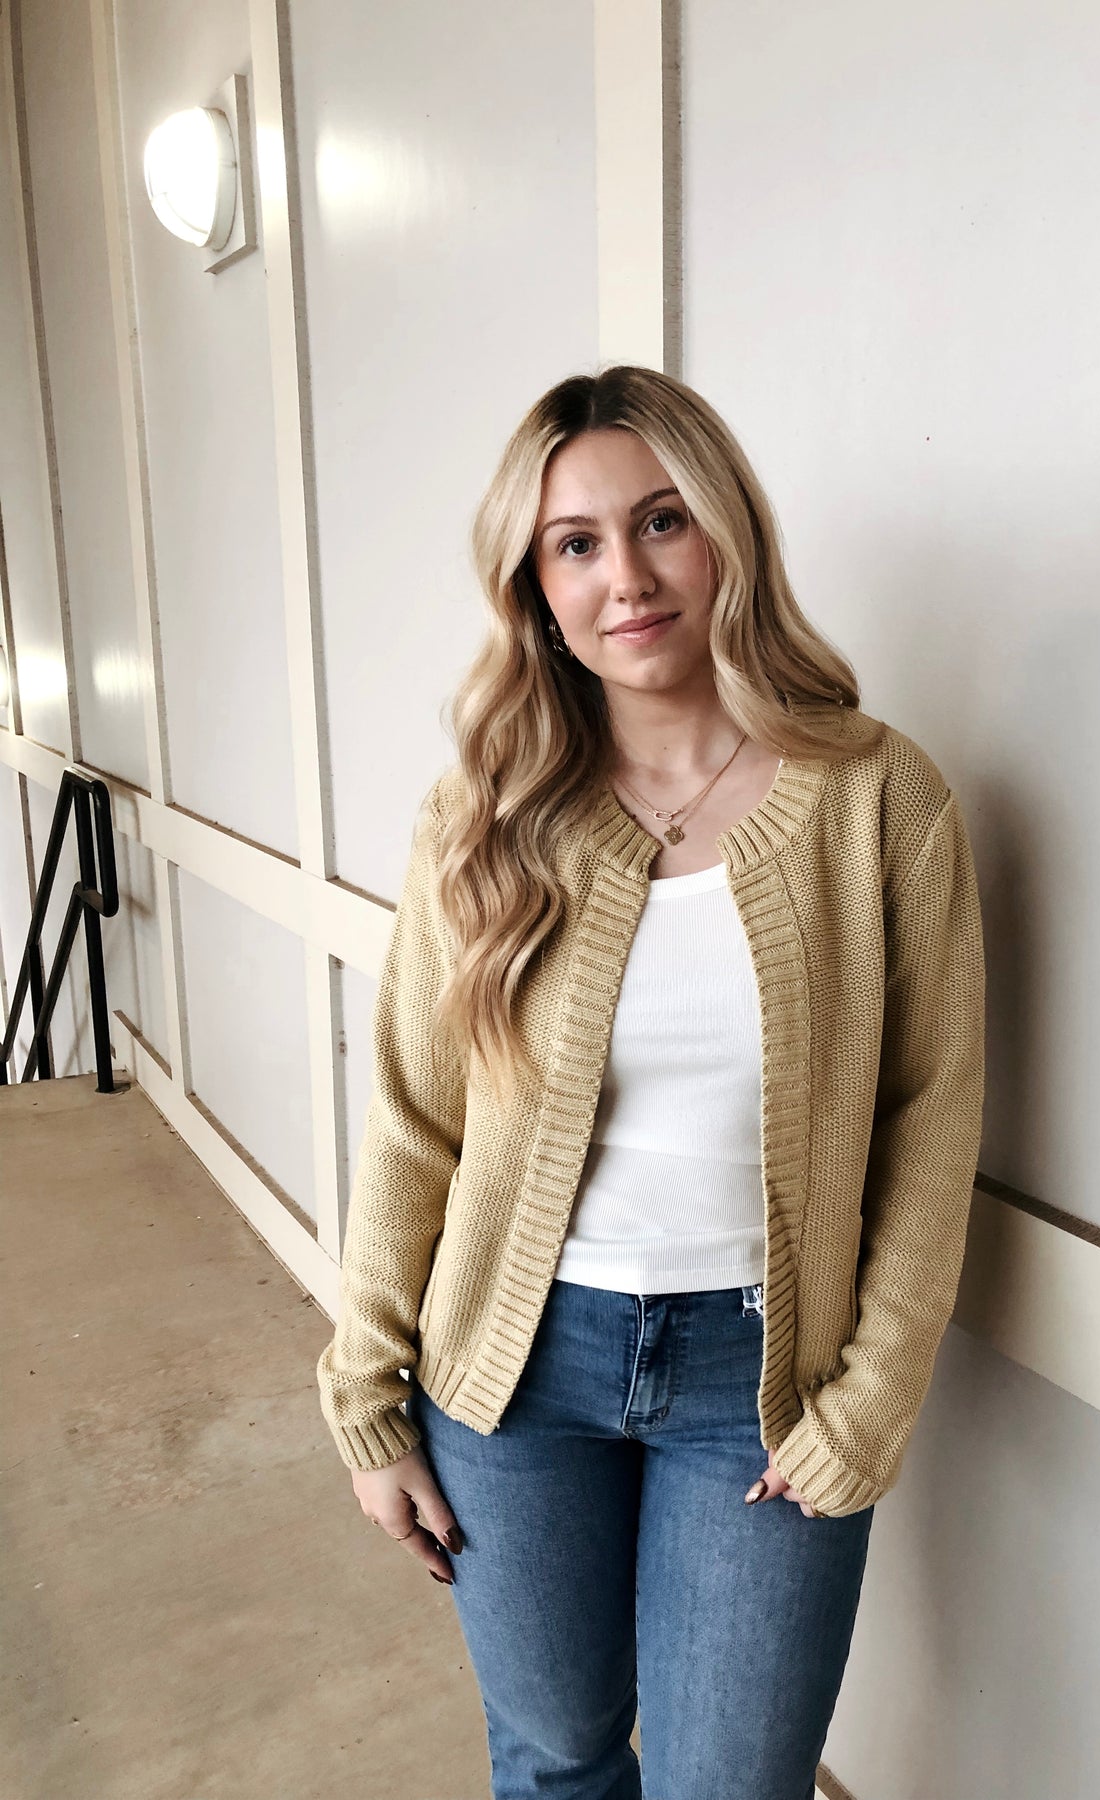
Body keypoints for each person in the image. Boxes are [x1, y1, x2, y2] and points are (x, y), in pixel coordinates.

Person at [315, 364, 986, 1800]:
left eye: (661, 521)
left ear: (727, 531)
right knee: (556, 1759)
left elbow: (931, 1121)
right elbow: (415, 1122)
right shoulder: (484, 816)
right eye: (575, 543)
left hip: (762, 1380)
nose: (625, 575)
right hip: (514, 1372)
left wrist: (868, 1400)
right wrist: (368, 1394)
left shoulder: (879, 797)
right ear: (536, 587)